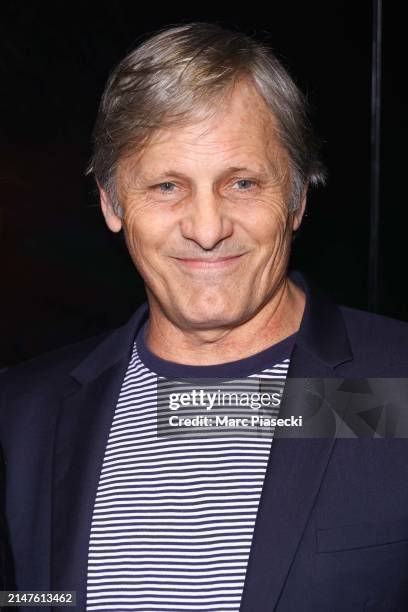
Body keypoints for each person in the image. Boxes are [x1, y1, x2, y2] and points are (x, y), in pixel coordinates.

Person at [1, 21, 408, 612]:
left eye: (242, 183)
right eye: (167, 186)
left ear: (296, 198)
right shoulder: (21, 417)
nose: (208, 228)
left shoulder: (393, 389)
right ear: (114, 204)